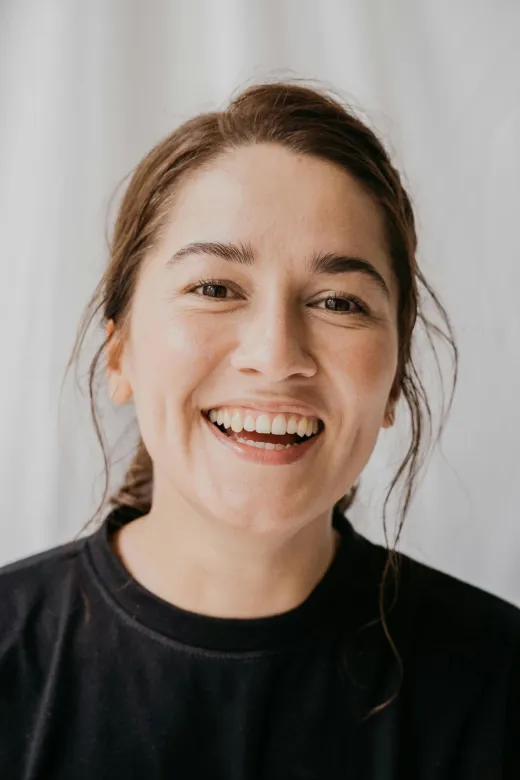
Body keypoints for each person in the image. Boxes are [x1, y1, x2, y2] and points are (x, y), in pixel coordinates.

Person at [0, 80, 518, 779]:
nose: (276, 356)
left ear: (394, 380)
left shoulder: (499, 681)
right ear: (118, 353)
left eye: (338, 301)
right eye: (215, 289)